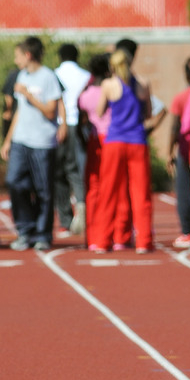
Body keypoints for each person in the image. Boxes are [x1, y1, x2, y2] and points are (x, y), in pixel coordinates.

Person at [0, 37, 64, 251]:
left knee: (44, 190)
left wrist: (28, 95)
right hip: (21, 141)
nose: (16, 60)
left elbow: (50, 111)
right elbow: (19, 111)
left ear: (28, 55)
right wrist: (8, 140)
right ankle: (25, 229)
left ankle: (42, 234)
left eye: (18, 55)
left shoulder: (48, 77)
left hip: (42, 143)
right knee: (14, 182)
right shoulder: (21, 75)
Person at [91, 48, 153, 254]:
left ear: (112, 66)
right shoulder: (143, 84)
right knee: (141, 193)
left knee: (108, 192)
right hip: (137, 142)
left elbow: (99, 112)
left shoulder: (109, 85)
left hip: (115, 142)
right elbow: (148, 113)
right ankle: (144, 241)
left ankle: (103, 241)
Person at [54, 43, 90, 237]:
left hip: (60, 125)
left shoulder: (55, 73)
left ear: (60, 56)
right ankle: (82, 207)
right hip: (78, 126)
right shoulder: (85, 75)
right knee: (77, 170)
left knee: (59, 173)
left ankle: (65, 220)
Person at [77, 53, 111, 249]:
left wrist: (83, 141)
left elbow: (80, 121)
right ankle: (113, 235)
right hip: (112, 140)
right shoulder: (114, 89)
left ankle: (92, 237)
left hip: (93, 141)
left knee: (93, 190)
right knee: (113, 189)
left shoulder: (85, 94)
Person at [171, 57, 190, 248]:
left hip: (187, 148)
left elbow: (175, 127)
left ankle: (187, 231)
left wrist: (170, 150)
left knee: (184, 188)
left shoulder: (182, 97)